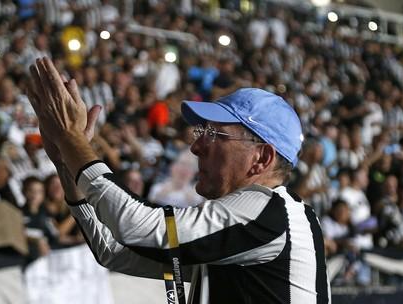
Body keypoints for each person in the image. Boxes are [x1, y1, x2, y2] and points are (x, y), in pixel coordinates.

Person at [27, 57, 330, 304]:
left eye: (213, 134)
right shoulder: (243, 232)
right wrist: (67, 163)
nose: (196, 146)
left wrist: (73, 140)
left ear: (262, 158)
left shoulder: (270, 210)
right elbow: (113, 250)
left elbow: (140, 226)